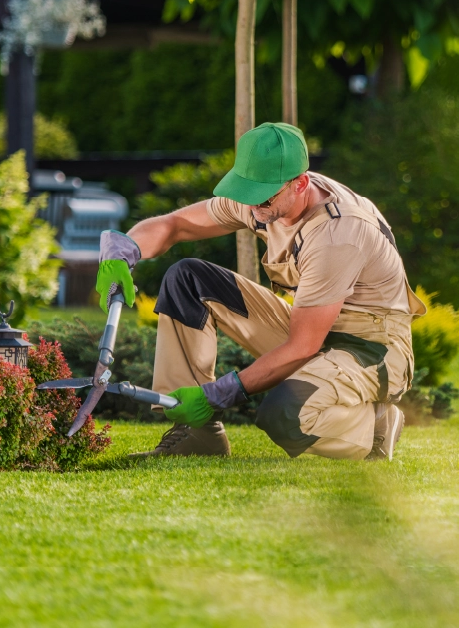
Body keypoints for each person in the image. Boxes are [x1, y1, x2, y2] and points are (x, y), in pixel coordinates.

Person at [96, 122, 426, 461]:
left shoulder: (337, 233)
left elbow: (302, 346)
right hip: (313, 324)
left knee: (284, 415)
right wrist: (127, 248)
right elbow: (176, 225)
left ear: (300, 184)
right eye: (246, 191)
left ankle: (375, 426)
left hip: (371, 347)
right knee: (188, 279)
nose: (252, 205)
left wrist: (215, 395)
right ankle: (197, 435)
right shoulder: (262, 198)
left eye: (263, 195)